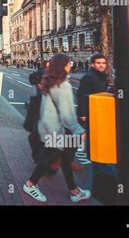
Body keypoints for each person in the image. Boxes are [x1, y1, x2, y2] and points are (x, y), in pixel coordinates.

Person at [23, 54, 90, 203]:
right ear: (63, 65)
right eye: (69, 63)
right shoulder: (63, 85)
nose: (71, 65)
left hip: (48, 128)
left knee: (65, 158)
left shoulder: (50, 81)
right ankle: (30, 184)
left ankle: (74, 191)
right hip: (56, 131)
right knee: (48, 159)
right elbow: (68, 114)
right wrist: (80, 131)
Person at [76, 54, 109, 157]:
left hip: (97, 111)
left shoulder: (100, 76)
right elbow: (81, 95)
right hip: (90, 112)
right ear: (92, 64)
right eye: (98, 63)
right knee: (87, 138)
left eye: (103, 63)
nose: (101, 65)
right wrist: (83, 114)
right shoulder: (89, 77)